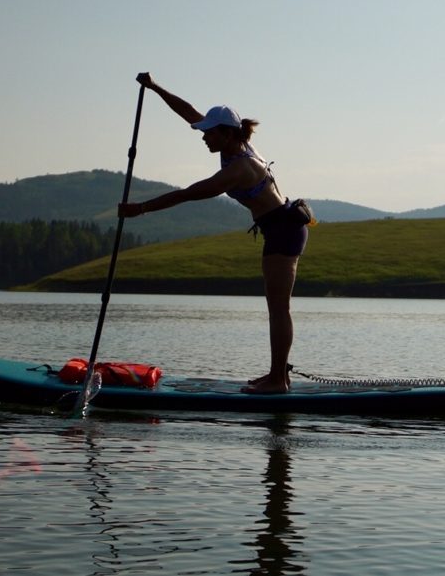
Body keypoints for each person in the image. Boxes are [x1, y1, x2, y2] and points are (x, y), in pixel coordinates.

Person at [119, 73, 309, 394]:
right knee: (276, 307)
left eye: (209, 133)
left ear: (226, 133)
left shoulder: (239, 169)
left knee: (279, 309)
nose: (203, 137)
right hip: (279, 227)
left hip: (283, 230)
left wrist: (141, 208)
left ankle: (278, 380)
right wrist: (154, 88)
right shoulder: (235, 142)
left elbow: (188, 194)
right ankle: (278, 375)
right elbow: (188, 112)